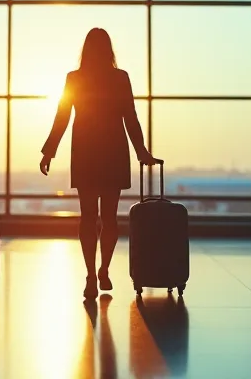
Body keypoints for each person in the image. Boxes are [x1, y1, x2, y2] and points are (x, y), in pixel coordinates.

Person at [40, 27, 159, 299]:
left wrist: (49, 151)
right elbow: (131, 117)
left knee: (88, 217)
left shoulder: (74, 78)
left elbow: (62, 115)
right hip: (113, 150)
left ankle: (91, 275)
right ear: (109, 50)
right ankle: (104, 268)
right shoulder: (119, 78)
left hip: (85, 150)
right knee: (109, 217)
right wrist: (141, 151)